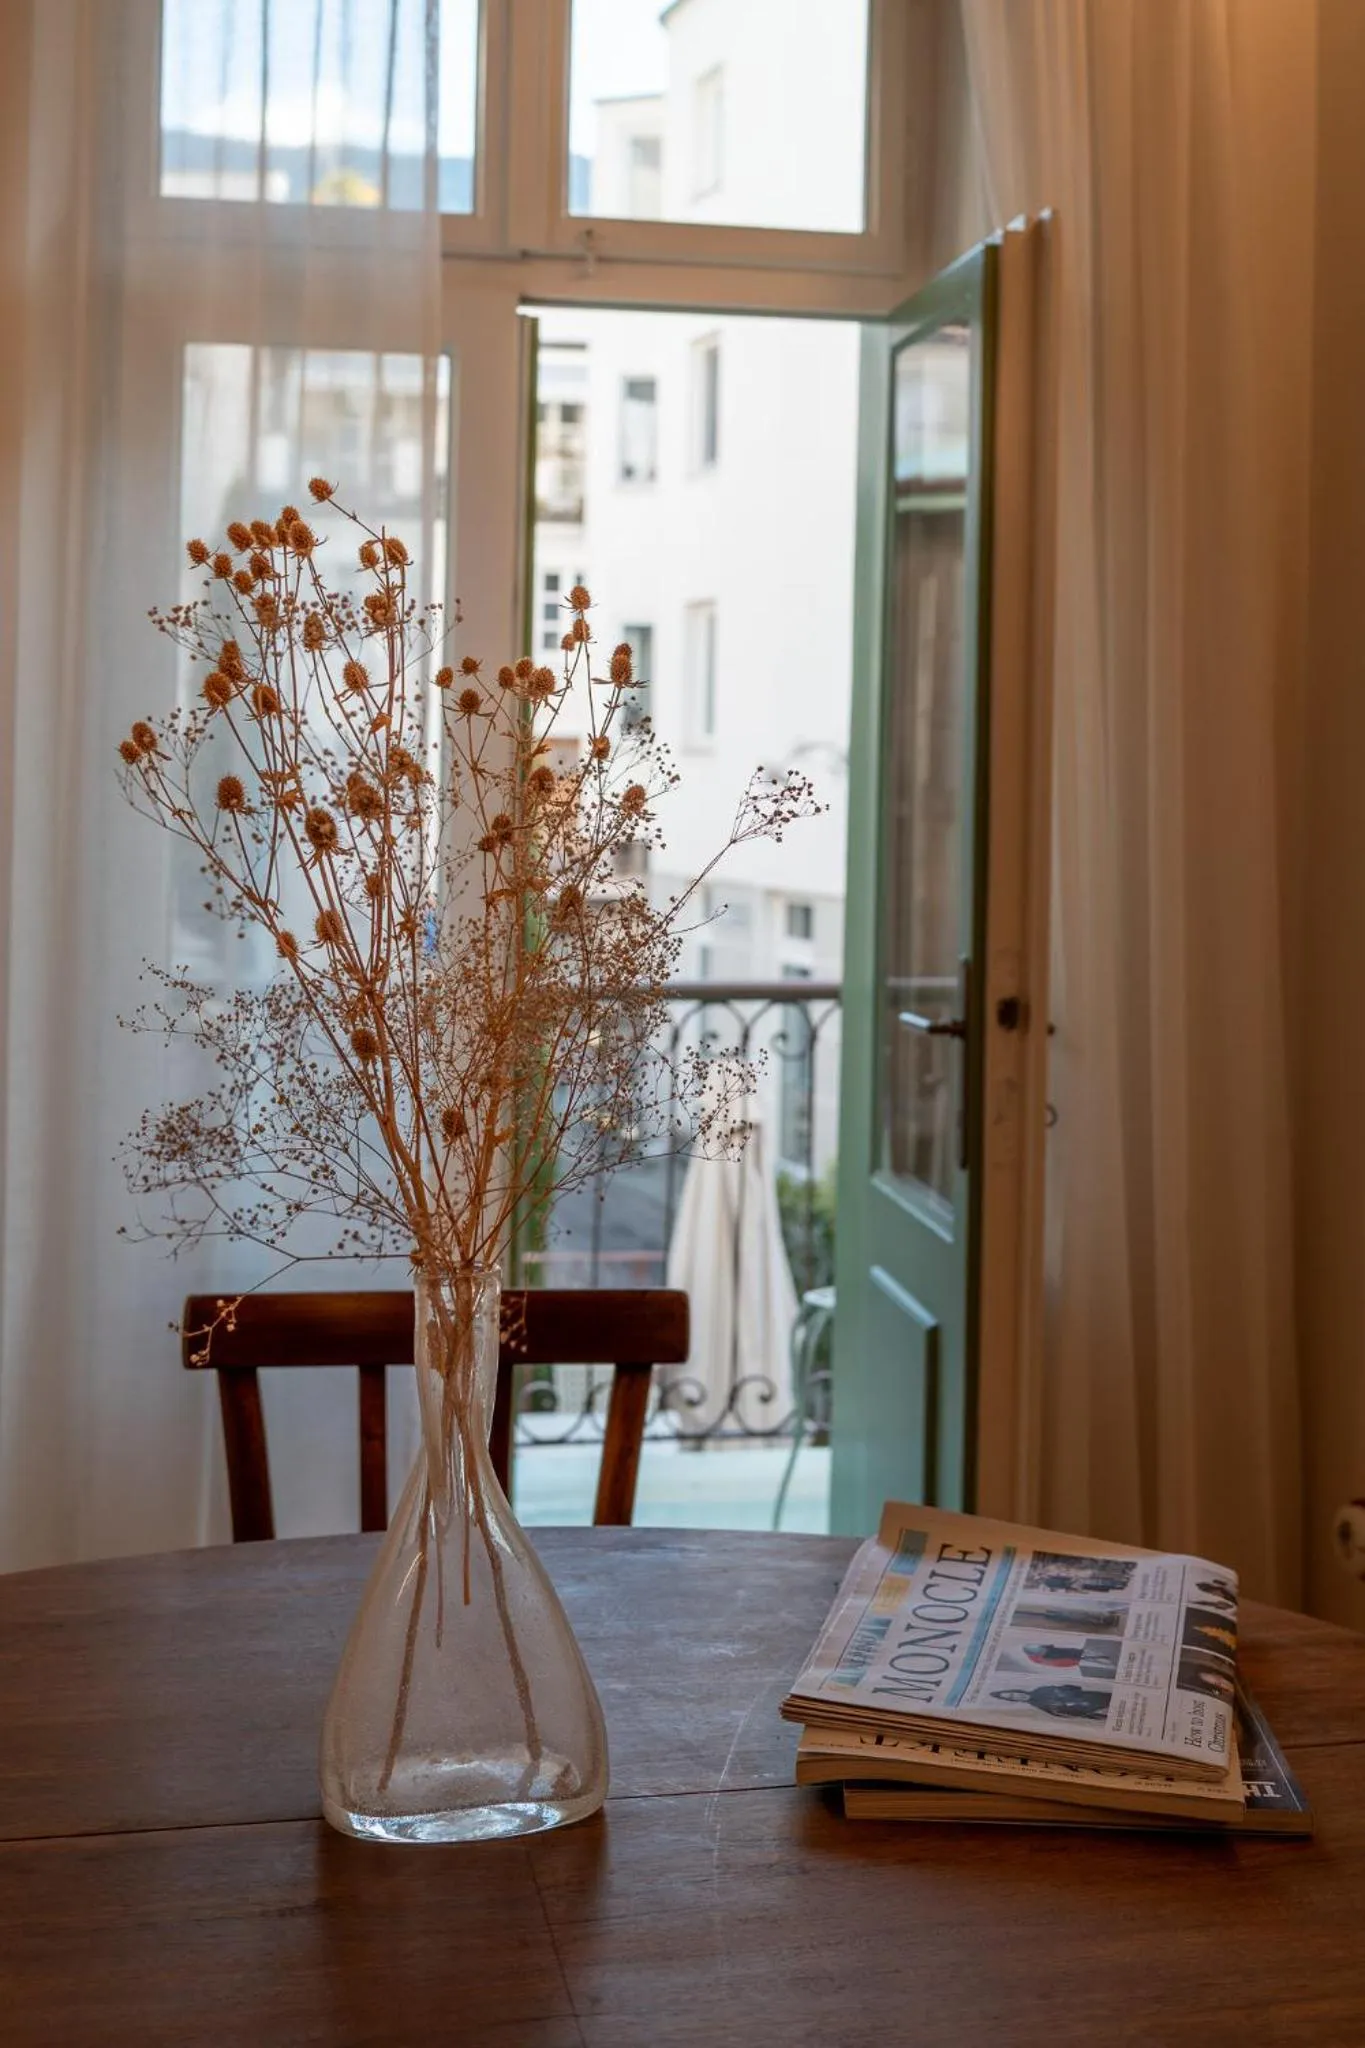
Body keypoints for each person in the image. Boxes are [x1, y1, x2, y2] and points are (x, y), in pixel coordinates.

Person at [991, 1684, 1112, 1721]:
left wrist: (1062, 1694)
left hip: (1091, 1697)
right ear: (1013, 1700)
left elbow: (1070, 1688)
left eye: (1012, 1692)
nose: (1016, 1695)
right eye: (1012, 1697)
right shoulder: (1037, 1706)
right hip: (1087, 1710)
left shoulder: (1040, 1689)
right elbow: (1062, 1714)